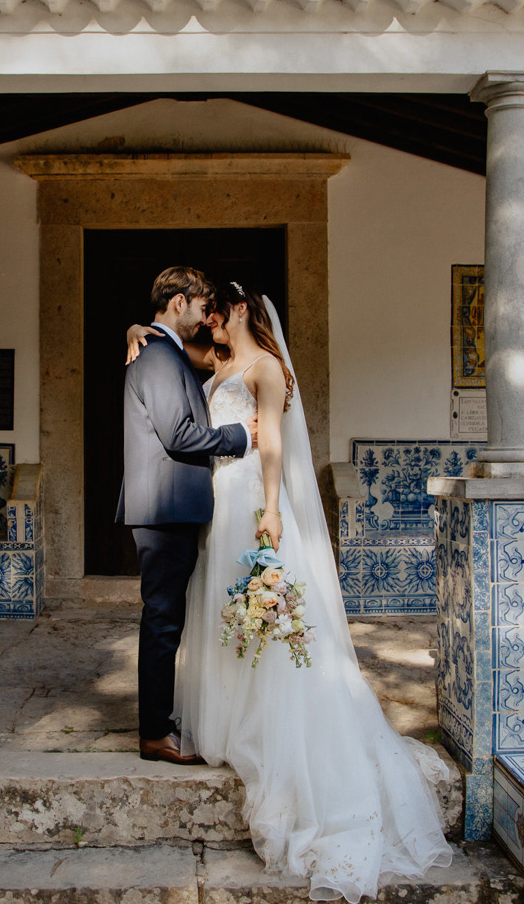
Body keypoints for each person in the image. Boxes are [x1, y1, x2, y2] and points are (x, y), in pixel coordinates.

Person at [125, 281, 454, 903]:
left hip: (250, 499)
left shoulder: (267, 369)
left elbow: (271, 440)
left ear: (240, 310)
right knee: (220, 611)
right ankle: (227, 715)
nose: (209, 321)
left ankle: (273, 723)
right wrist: (135, 330)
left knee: (265, 619)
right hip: (216, 505)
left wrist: (272, 510)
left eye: (216, 312)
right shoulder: (217, 361)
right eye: (205, 313)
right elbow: (165, 347)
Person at [117, 266, 259, 766]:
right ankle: (155, 734)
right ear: (179, 302)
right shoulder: (158, 355)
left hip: (172, 506)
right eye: (200, 308)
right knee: (161, 621)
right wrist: (240, 437)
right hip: (164, 507)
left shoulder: (164, 349)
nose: (203, 319)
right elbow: (177, 434)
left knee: (166, 619)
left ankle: (160, 722)